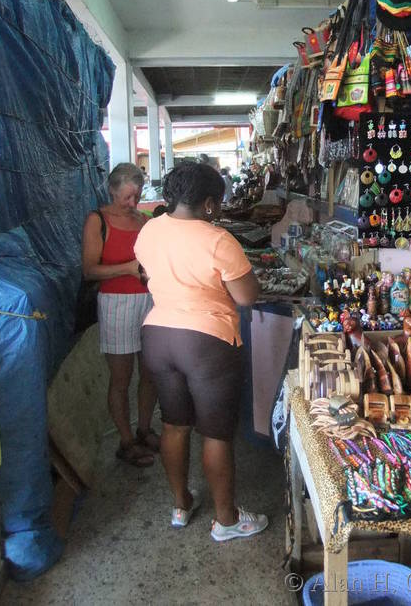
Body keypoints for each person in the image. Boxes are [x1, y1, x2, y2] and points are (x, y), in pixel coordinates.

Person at [134, 161, 268, 540]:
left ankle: (181, 505)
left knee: (174, 424)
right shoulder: (217, 239)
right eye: (219, 202)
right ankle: (226, 521)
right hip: (206, 341)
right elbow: (246, 296)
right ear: (209, 203)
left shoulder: (149, 230)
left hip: (158, 335)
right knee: (215, 433)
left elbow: (148, 275)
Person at [82, 163, 159, 467]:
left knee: (151, 372)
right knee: (121, 378)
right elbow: (90, 271)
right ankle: (126, 442)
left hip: (148, 300)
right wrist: (127, 269)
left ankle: (144, 429)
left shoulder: (143, 220)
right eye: (126, 197)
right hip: (115, 303)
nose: (131, 203)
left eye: (136, 197)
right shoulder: (97, 220)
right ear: (112, 190)